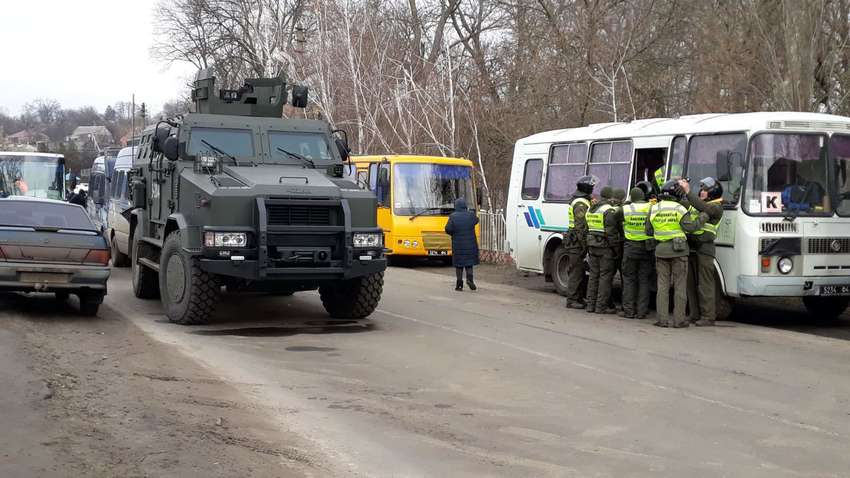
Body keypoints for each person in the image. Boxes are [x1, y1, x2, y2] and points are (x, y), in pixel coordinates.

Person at [645, 180, 708, 328]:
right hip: (679, 252)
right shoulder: (680, 209)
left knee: (662, 287)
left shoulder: (654, 209)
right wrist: (703, 217)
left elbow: (648, 231)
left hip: (660, 251)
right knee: (680, 287)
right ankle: (679, 320)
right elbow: (691, 227)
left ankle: (662, 320)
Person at [683, 177, 724, 326]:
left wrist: (688, 191)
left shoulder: (715, 207)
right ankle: (694, 314)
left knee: (705, 284)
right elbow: (689, 205)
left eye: (705, 190)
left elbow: (699, 206)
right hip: (692, 247)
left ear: (712, 192)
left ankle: (708, 316)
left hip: (705, 248)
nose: (701, 192)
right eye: (701, 189)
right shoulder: (702, 205)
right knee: (691, 284)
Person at [564, 175, 598, 309]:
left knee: (580, 270)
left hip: (576, 241)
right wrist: (585, 246)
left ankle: (578, 297)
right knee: (576, 271)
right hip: (576, 243)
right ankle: (571, 300)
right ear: (586, 188)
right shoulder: (580, 203)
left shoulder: (583, 200)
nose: (593, 188)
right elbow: (580, 227)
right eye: (592, 187)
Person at [620, 187, 653, 319]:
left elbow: (613, 218)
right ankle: (641, 311)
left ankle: (628, 311)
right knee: (644, 280)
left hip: (630, 248)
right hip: (646, 248)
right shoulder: (651, 207)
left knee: (629, 279)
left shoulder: (626, 209)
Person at [585, 186, 618, 314]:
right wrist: (616, 249)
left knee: (593, 276)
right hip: (605, 248)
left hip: (592, 246)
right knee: (605, 277)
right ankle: (600, 307)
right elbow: (611, 233)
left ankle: (590, 305)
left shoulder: (591, 209)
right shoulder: (608, 210)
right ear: (610, 197)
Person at [445, 197, 480, 291]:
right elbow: (477, 220)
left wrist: (453, 233)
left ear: (456, 206)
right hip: (470, 245)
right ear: (465, 206)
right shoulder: (471, 215)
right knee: (469, 264)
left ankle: (459, 284)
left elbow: (448, 229)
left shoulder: (453, 216)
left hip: (458, 244)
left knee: (459, 265)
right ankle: (470, 279)